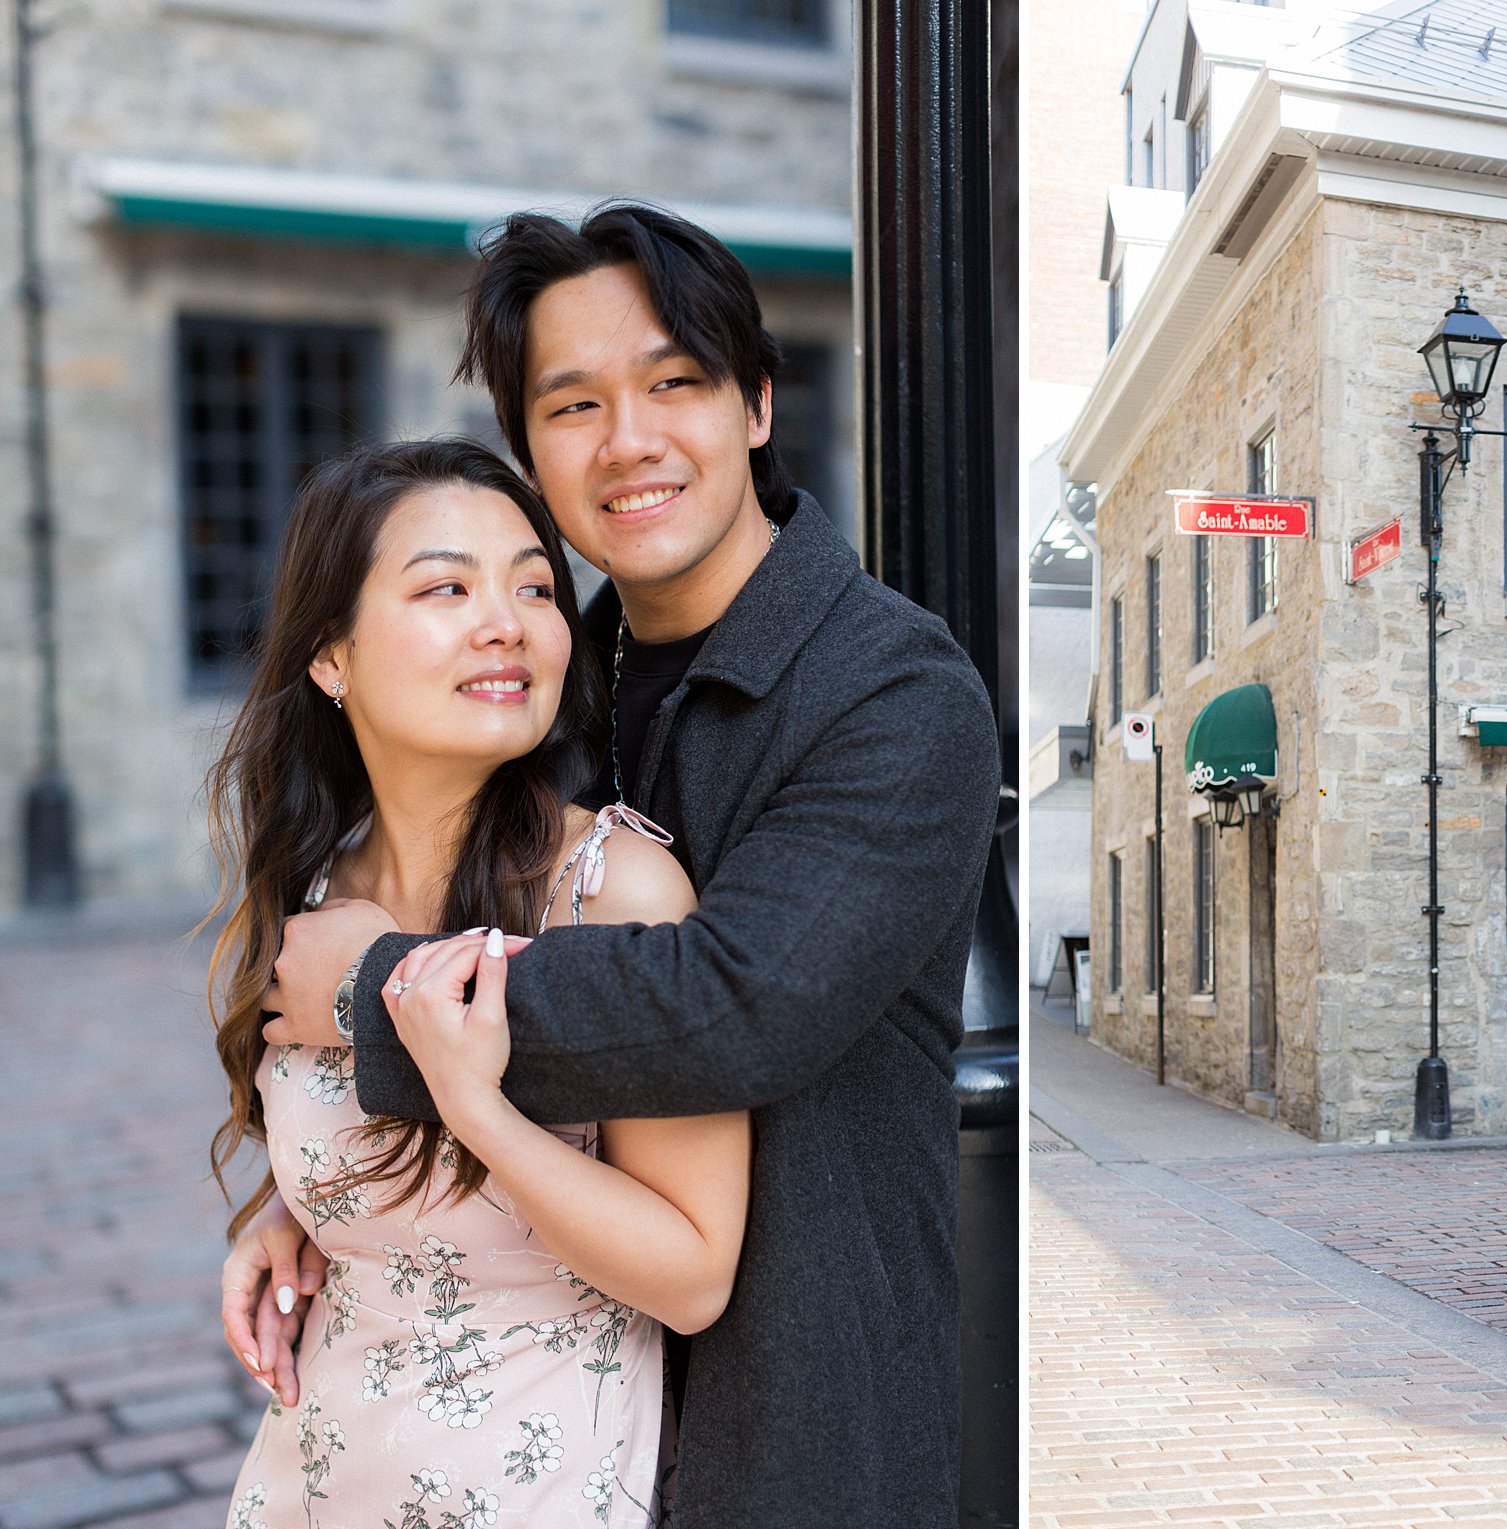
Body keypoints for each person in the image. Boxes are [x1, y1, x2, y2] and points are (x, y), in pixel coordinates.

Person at [229, 203, 1001, 1527]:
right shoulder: (544, 687)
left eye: (675, 383)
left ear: (758, 404)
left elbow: (738, 1002)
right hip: (536, 1419)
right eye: (574, 404)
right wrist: (330, 1197)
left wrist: (378, 1000)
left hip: (798, 1415)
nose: (629, 439)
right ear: (530, 443)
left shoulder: (895, 692)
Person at [209, 439, 751, 1527]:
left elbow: (694, 1271)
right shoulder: (314, 897)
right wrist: (293, 1212)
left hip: (535, 1487)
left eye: (536, 585)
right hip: (313, 1472)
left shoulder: (615, 889)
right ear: (331, 655)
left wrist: (469, 1101)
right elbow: (380, 1178)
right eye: (447, 586)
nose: (506, 620)